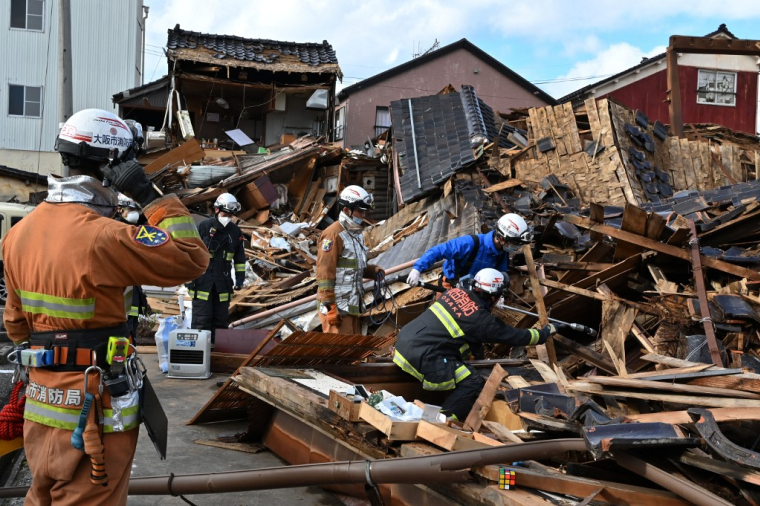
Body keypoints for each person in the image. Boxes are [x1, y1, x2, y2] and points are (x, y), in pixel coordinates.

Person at [2, 108, 208, 506]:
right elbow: (191, 259)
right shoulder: (105, 236)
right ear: (115, 166)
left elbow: (15, 325)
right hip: (94, 409)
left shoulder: (19, 234)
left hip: (41, 405)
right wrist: (149, 196)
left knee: (40, 496)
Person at [393, 268, 560, 421]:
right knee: (471, 380)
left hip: (403, 343)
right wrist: (543, 334)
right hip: (424, 356)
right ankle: (442, 420)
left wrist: (477, 356)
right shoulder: (481, 320)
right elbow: (514, 336)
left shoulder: (455, 293)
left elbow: (467, 338)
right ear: (493, 296)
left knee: (461, 358)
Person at [316, 185, 384, 334]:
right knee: (339, 355)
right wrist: (330, 306)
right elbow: (324, 273)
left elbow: (350, 267)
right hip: (337, 309)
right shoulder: (333, 235)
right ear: (347, 210)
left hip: (352, 307)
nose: (363, 215)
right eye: (360, 211)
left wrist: (371, 271)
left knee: (353, 353)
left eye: (365, 211)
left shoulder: (356, 235)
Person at [406, 213, 531, 290]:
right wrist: (417, 269)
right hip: (451, 286)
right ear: (502, 238)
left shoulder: (501, 252)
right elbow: (438, 251)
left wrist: (499, 294)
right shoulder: (470, 243)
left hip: (474, 290)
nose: (516, 248)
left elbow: (499, 274)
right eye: (515, 243)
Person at [188, 193, 246, 343]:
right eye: (225, 214)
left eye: (231, 215)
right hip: (202, 282)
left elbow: (239, 258)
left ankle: (214, 357)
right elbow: (189, 253)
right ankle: (199, 356)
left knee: (220, 323)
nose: (228, 217)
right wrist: (187, 277)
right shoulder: (203, 227)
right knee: (202, 321)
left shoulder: (235, 231)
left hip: (223, 283)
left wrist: (240, 279)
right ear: (216, 210)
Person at [115, 194, 150, 340]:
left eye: (136, 209)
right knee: (121, 335)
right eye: (130, 209)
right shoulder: (113, 229)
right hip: (118, 293)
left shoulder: (139, 229)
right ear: (119, 209)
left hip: (134, 292)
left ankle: (130, 359)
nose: (134, 213)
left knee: (131, 333)